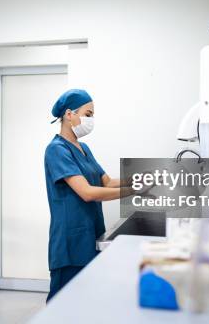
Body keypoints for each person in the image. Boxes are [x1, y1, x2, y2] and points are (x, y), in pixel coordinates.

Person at [44, 89, 133, 302]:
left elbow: (107, 182)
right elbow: (87, 193)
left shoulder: (84, 148)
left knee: (85, 304)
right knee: (61, 306)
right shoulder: (56, 150)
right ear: (69, 114)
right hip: (70, 241)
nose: (91, 120)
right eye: (88, 114)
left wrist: (137, 179)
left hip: (90, 234)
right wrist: (133, 191)